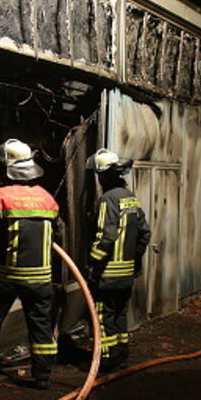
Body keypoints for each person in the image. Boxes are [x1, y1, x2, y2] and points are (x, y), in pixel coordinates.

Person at [0, 139, 60, 389]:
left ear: (7, 169)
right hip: (41, 277)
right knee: (41, 324)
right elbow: (56, 236)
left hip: (6, 274)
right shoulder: (47, 199)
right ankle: (42, 375)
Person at [85, 148, 151, 372]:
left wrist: (93, 265)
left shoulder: (107, 200)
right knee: (120, 313)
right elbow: (145, 234)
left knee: (103, 316)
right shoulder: (131, 199)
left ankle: (107, 359)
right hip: (126, 274)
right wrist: (133, 260)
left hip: (107, 275)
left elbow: (106, 237)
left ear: (103, 175)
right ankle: (122, 353)